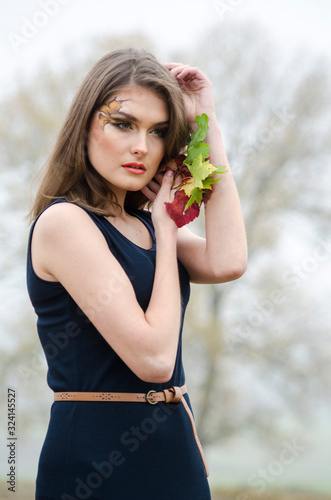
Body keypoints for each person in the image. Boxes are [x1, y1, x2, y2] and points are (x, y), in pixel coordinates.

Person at [27, 47, 247, 500]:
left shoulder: (146, 225)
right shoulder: (65, 223)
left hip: (176, 455)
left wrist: (208, 126)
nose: (142, 147)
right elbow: (154, 360)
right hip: (96, 464)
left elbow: (228, 261)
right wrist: (167, 235)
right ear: (85, 124)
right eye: (123, 123)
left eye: (159, 131)